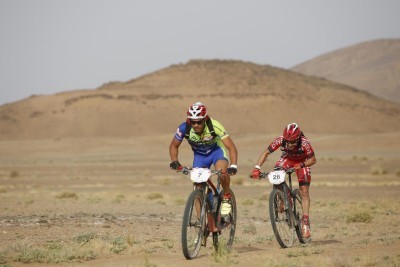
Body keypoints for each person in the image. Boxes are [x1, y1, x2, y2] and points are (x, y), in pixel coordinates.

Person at [169, 102, 238, 217]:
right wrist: (174, 161)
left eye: (199, 122)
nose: (196, 125)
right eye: (193, 122)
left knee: (222, 172)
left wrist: (234, 165)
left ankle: (226, 196)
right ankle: (201, 223)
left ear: (205, 119)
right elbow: (173, 146)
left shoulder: (214, 125)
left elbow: (231, 147)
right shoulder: (184, 128)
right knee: (197, 186)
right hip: (200, 156)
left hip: (216, 152)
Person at [250, 123, 316, 239]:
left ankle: (305, 222)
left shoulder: (305, 143)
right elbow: (266, 152)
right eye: (288, 142)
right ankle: (284, 197)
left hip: (303, 161)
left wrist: (301, 165)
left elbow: (313, 159)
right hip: (288, 158)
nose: (290, 144)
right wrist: (257, 168)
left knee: (304, 190)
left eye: (293, 142)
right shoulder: (281, 140)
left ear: (298, 138)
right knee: (276, 174)